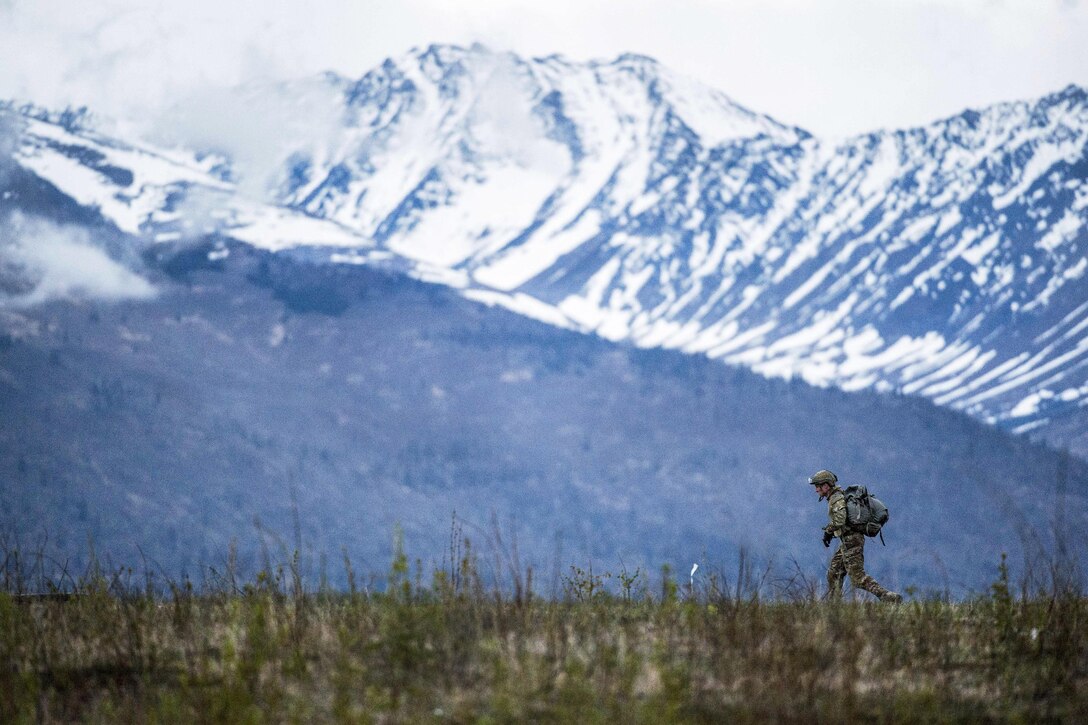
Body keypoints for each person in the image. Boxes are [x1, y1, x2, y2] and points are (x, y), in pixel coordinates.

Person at [810, 469, 902, 602]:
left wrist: (828, 531)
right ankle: (833, 605)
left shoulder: (836, 498)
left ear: (826, 485)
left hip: (852, 540)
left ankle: (887, 596)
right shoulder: (835, 497)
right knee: (834, 573)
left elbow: (840, 520)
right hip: (847, 541)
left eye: (817, 486)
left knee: (857, 577)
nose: (816, 490)